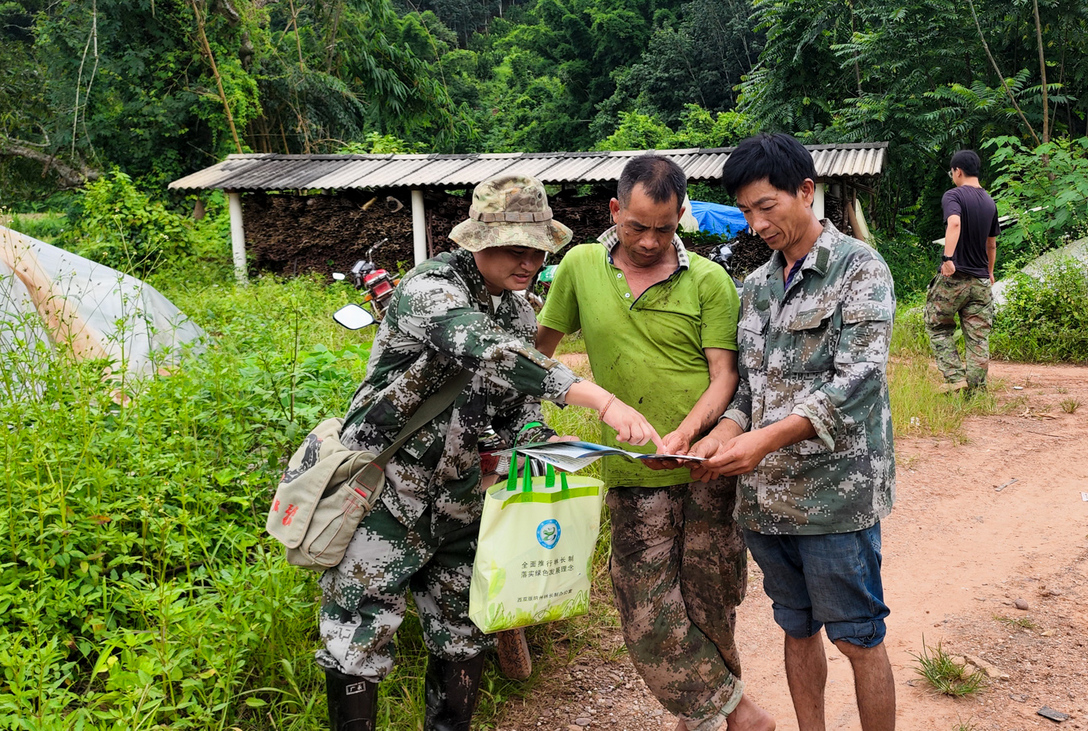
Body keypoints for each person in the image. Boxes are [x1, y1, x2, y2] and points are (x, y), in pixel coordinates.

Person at [316, 174, 661, 731]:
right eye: (514, 248)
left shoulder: (520, 312)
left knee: (462, 636)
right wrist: (597, 399)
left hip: (460, 505)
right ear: (476, 240)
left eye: (538, 250)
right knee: (358, 636)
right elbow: (486, 349)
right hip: (385, 497)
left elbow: (514, 408)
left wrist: (545, 443)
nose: (529, 262)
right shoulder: (430, 291)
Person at [535, 154, 774, 731]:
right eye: (636, 226)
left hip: (706, 470)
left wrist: (688, 434)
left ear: (680, 219)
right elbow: (535, 355)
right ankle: (743, 716)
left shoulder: (710, 281)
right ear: (615, 210)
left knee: (710, 606)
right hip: (633, 474)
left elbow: (725, 376)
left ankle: (705, 721)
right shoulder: (580, 267)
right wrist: (531, 427)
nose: (648, 241)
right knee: (645, 615)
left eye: (664, 228)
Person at [690, 133, 898, 731]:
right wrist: (720, 438)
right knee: (795, 625)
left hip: (836, 497)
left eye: (767, 206)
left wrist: (761, 441)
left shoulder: (861, 269)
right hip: (766, 501)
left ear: (806, 191)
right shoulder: (755, 288)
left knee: (857, 637)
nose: (756, 223)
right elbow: (750, 390)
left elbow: (856, 380)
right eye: (746, 211)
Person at [926, 149, 1000, 393]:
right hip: (980, 280)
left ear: (958, 171)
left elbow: (954, 223)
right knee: (978, 336)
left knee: (938, 325)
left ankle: (955, 379)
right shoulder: (990, 201)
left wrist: (948, 257)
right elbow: (991, 243)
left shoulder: (953, 195)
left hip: (954, 277)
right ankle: (977, 390)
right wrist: (989, 272)